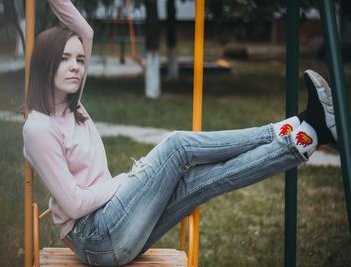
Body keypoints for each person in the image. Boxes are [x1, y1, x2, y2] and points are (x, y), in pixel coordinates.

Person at [22, 0, 338, 266]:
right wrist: (123, 182)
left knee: (198, 182)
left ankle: (305, 137)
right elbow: (75, 205)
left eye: (79, 59)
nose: (76, 66)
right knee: (177, 146)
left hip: (114, 225)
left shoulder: (73, 105)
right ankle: (284, 127)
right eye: (64, 60)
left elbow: (85, 32)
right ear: (45, 64)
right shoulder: (39, 128)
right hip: (95, 237)